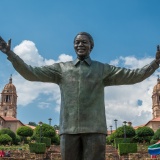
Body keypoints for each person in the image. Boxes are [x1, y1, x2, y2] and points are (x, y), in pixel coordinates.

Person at [0, 32, 160, 160]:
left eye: (84, 42)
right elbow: (31, 73)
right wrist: (10, 54)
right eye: (77, 42)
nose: (80, 45)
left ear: (91, 46)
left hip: (95, 129)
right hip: (68, 129)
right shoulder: (62, 69)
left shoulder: (102, 69)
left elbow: (133, 75)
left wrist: (155, 63)